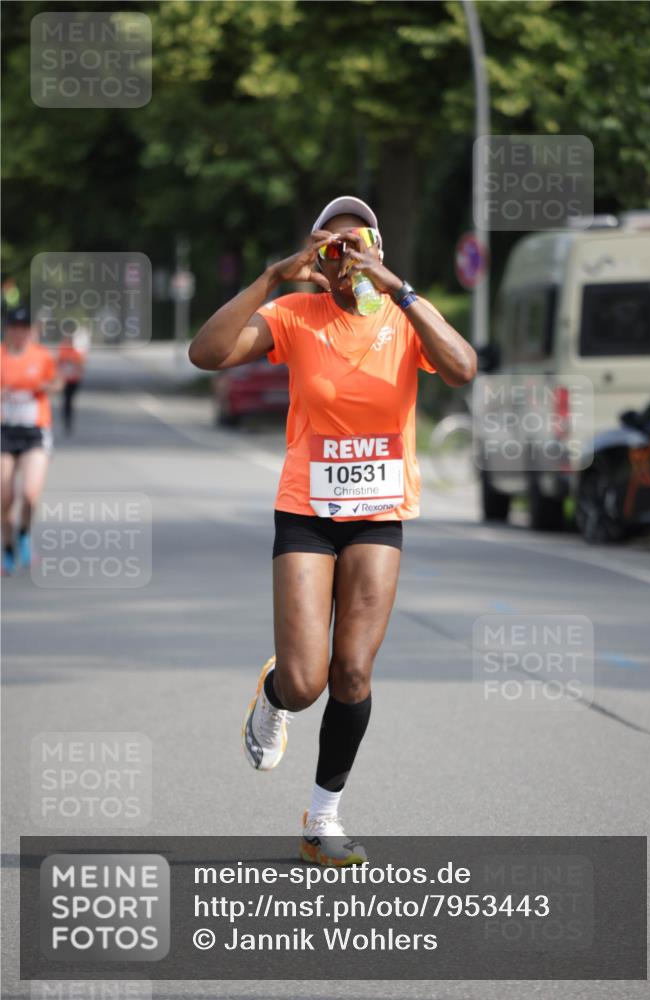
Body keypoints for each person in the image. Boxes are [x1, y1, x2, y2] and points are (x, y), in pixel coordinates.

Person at [189, 196, 476, 865]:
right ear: (315, 253)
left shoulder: (404, 318)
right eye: (331, 244)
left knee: (351, 672)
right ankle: (273, 694)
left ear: (376, 247)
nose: (344, 255)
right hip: (307, 512)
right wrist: (270, 278)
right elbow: (206, 353)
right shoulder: (295, 315)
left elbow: (462, 368)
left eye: (358, 243)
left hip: (378, 514)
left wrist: (395, 287)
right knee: (306, 680)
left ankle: (322, 819)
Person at [1, 307, 60, 574]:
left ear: (30, 331)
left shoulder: (41, 356)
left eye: (24, 329)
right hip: (5, 431)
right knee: (4, 496)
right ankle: (7, 546)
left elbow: (57, 382)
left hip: (35, 431)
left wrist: (45, 387)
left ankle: (24, 532)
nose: (19, 333)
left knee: (30, 494)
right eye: (15, 328)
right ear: (8, 330)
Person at [56, 331, 85, 434]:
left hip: (73, 381)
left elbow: (80, 366)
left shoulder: (76, 353)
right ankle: (65, 418)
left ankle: (68, 420)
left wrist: (79, 376)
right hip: (64, 381)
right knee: (65, 401)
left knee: (70, 401)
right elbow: (58, 364)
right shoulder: (62, 351)